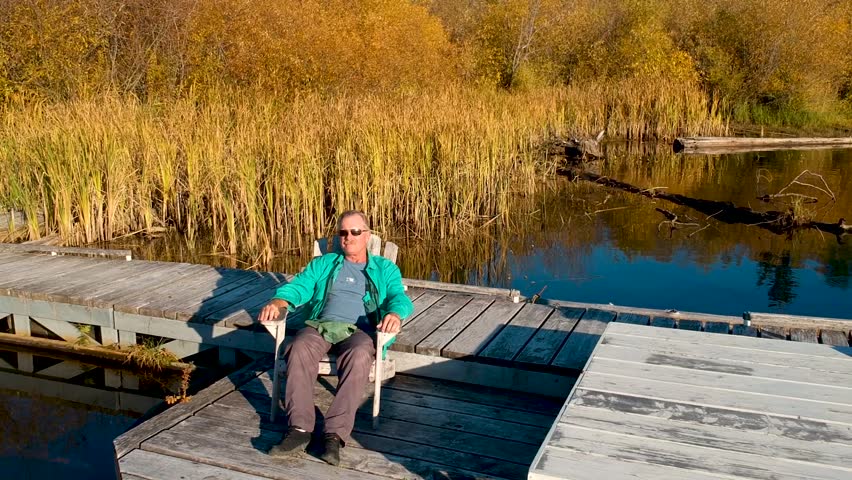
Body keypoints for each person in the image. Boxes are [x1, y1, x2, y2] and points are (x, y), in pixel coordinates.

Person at [258, 210, 413, 466]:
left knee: (361, 354)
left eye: (354, 232)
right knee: (298, 347)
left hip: (360, 331)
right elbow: (300, 286)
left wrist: (395, 313)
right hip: (321, 325)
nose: (348, 237)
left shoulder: (385, 268)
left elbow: (398, 296)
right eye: (342, 232)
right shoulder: (325, 263)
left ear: (367, 235)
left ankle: (334, 434)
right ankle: (299, 429)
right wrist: (279, 301)